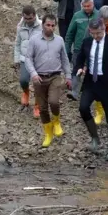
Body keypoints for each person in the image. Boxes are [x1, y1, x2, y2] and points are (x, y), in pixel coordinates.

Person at [74, 18, 108, 162]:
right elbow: (79, 59)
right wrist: (79, 68)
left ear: (104, 28)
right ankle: (95, 138)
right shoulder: (87, 42)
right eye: (93, 33)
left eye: (98, 33)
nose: (96, 36)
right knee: (83, 108)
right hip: (91, 82)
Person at [24, 14, 72, 148]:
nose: (50, 28)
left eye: (53, 25)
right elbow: (28, 58)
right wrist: (33, 74)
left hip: (55, 76)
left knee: (54, 102)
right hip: (39, 77)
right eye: (48, 25)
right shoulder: (34, 40)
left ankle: (56, 121)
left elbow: (65, 59)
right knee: (43, 108)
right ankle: (48, 133)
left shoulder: (59, 40)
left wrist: (68, 76)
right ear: (42, 25)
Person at [65, 0, 99, 101]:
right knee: (76, 69)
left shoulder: (99, 15)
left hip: (95, 48)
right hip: (78, 48)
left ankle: (92, 92)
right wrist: (67, 49)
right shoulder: (77, 16)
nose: (86, 8)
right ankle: (74, 92)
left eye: (88, 6)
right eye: (84, 6)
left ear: (93, 4)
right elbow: (70, 34)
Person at [13, 5, 42, 117]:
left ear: (34, 16)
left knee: (38, 84)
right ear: (23, 17)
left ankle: (37, 106)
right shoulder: (20, 27)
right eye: (26, 18)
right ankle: (25, 92)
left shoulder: (41, 26)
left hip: (38, 59)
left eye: (30, 18)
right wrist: (16, 60)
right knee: (23, 80)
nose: (28, 21)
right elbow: (17, 44)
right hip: (25, 59)